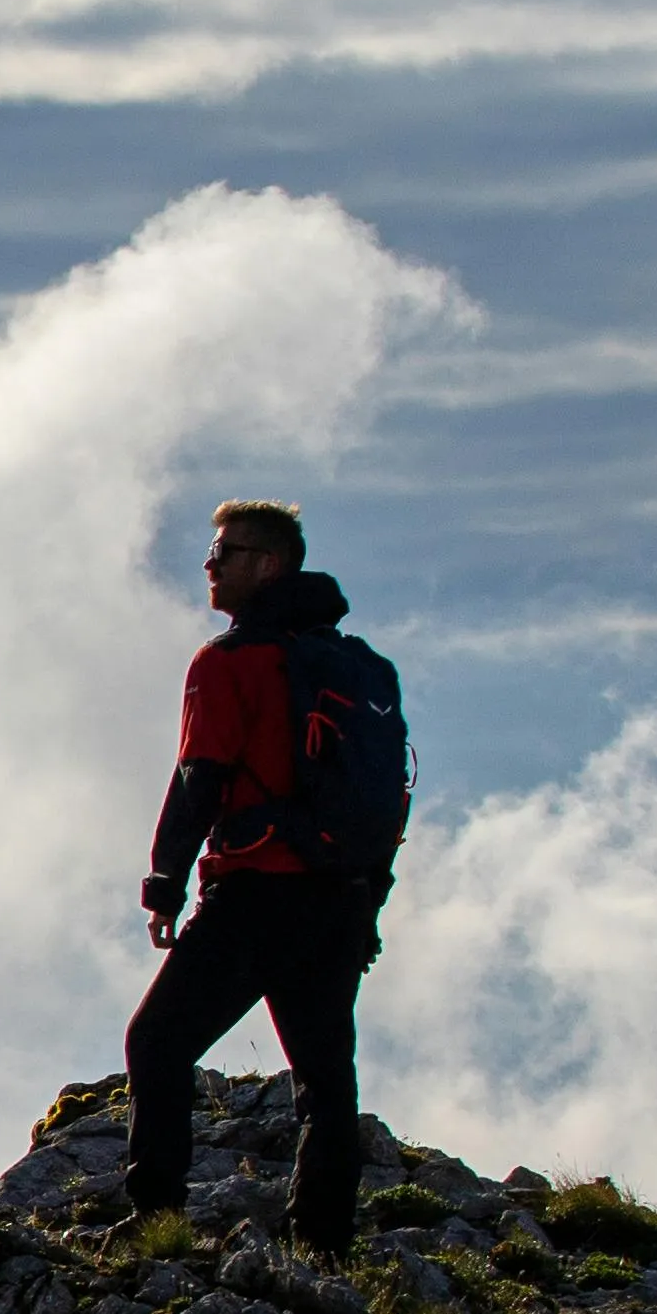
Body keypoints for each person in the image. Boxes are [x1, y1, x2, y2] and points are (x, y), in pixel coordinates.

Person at [127, 497, 406, 1253]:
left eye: (227, 552)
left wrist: (165, 881)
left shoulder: (231, 661)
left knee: (156, 1044)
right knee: (325, 1078)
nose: (211, 566)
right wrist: (367, 905)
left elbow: (200, 778)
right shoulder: (361, 668)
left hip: (255, 893)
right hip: (339, 900)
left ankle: (157, 1223)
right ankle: (324, 1246)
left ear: (270, 564)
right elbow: (381, 801)